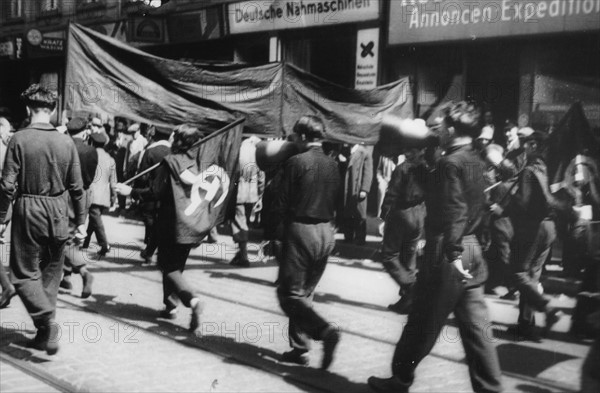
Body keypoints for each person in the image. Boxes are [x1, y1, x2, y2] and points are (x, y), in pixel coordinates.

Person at [369, 104, 503, 393]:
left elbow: (455, 212)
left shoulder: (449, 163)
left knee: (421, 323)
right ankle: (491, 389)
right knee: (477, 331)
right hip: (471, 249)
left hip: (449, 252)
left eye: (440, 125)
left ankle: (400, 379)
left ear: (453, 129)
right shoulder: (473, 160)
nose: (437, 128)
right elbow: (468, 205)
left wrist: (451, 253)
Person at [0, 84, 86, 354]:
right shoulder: (66, 141)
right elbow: (77, 187)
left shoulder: (19, 139)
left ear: (28, 109)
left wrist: (2, 217)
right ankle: (43, 333)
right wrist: (81, 221)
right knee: (51, 273)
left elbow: (6, 186)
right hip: (59, 212)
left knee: (23, 273)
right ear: (51, 110)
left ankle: (46, 321)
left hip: (29, 209)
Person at [115, 124, 203, 328]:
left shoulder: (170, 162)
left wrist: (130, 192)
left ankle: (192, 300)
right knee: (177, 266)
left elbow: (155, 192)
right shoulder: (195, 161)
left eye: (174, 134)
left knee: (166, 265)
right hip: (191, 222)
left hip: (170, 220)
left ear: (178, 140)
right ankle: (170, 305)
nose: (170, 136)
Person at [273, 115, 341, 369]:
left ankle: (323, 331)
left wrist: (275, 236)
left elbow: (279, 203)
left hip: (300, 230)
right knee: (305, 292)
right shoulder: (333, 164)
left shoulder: (296, 162)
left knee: (288, 295)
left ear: (302, 137)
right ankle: (300, 347)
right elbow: (340, 202)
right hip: (326, 231)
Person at [491, 130, 562, 342]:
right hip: (550, 228)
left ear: (535, 146)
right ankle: (525, 324)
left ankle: (547, 308)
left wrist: (501, 210)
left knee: (518, 272)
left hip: (534, 228)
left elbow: (522, 202)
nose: (525, 148)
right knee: (533, 275)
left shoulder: (530, 171)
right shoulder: (549, 169)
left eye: (529, 144)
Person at [379, 148, 426, 314]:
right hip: (419, 213)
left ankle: (411, 288)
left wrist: (384, 214)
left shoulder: (403, 168)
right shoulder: (426, 168)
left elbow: (392, 193)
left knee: (389, 256)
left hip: (401, 213)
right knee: (409, 256)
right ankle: (407, 300)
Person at [60, 117, 98, 298]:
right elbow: (90, 179)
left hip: (64, 196)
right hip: (82, 196)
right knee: (73, 236)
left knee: (63, 237)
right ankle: (66, 278)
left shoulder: (62, 146)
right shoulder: (91, 151)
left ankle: (84, 272)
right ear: (84, 132)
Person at [133, 125, 172, 264]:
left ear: (154, 132)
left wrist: (135, 193)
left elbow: (142, 176)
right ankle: (154, 251)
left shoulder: (150, 151)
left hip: (151, 193)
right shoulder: (174, 151)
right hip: (169, 194)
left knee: (150, 221)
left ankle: (149, 251)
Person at [230, 136, 265, 267]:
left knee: (240, 225)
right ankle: (239, 254)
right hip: (252, 196)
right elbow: (262, 179)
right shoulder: (258, 157)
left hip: (238, 195)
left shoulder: (237, 154)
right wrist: (260, 196)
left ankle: (244, 257)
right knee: (244, 224)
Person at [83, 131, 116, 256]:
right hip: (104, 195)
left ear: (92, 142)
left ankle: (104, 244)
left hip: (91, 193)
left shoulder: (89, 155)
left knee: (95, 220)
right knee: (94, 219)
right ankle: (86, 242)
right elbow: (113, 182)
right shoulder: (111, 159)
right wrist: (114, 198)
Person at [341, 143, 373, 245]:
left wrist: (364, 189)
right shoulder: (345, 151)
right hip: (347, 186)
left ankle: (360, 238)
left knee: (359, 213)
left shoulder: (365, 152)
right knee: (347, 212)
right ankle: (348, 236)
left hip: (358, 187)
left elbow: (368, 172)